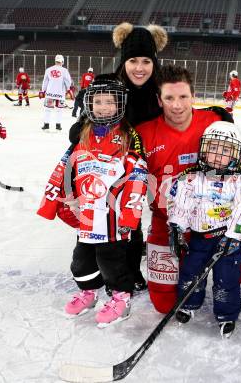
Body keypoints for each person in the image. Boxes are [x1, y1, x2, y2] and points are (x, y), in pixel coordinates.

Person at [137, 64, 241, 327]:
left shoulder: (212, 123)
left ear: (194, 96)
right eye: (169, 98)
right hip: (172, 221)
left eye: (183, 97)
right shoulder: (143, 134)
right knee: (164, 304)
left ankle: (239, 286)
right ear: (159, 100)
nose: (177, 105)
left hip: (220, 219)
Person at [37, 74, 147, 327]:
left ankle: (122, 298)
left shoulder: (129, 135)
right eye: (98, 102)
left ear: (121, 105)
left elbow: (138, 174)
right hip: (86, 214)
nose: (104, 107)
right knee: (82, 258)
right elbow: (69, 168)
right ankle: (89, 292)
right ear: (89, 104)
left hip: (112, 215)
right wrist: (63, 198)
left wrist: (130, 214)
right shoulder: (84, 133)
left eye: (110, 102)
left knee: (111, 259)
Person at [69, 22, 169, 293]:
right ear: (123, 61)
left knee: (136, 221)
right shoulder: (111, 89)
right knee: (123, 224)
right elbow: (82, 129)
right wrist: (82, 127)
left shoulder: (162, 92)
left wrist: (217, 113)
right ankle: (119, 272)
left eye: (146, 61)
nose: (139, 67)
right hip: (113, 174)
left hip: (150, 168)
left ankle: (134, 267)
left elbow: (183, 112)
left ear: (154, 62)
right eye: (132, 60)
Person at [167, 121, 241, 338]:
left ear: (235, 154)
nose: (218, 155)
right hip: (199, 239)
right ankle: (189, 305)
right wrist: (176, 227)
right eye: (213, 148)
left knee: (226, 279)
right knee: (190, 273)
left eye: (225, 150)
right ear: (203, 150)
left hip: (226, 240)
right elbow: (180, 204)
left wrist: (234, 237)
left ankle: (226, 314)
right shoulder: (190, 177)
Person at [39, 54, 72, 131]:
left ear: (55, 61)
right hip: (60, 94)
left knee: (47, 109)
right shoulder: (64, 70)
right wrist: (68, 89)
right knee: (59, 110)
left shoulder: (48, 69)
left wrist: (43, 91)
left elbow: (45, 81)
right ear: (62, 61)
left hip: (49, 93)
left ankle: (46, 125)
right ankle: (58, 125)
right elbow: (68, 81)